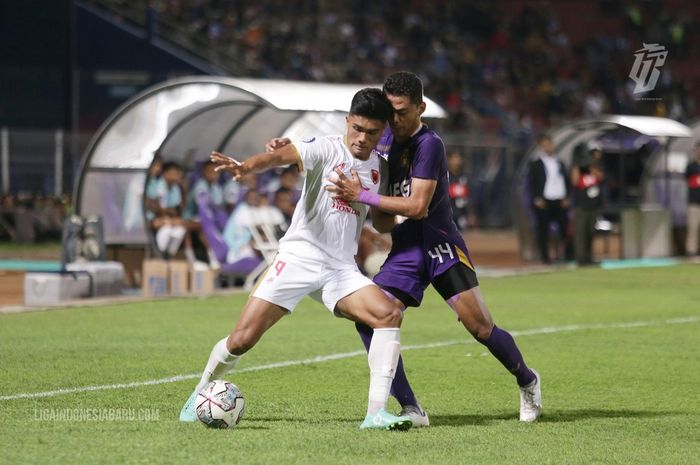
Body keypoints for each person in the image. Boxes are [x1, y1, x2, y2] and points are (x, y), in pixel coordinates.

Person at [179, 88, 412, 431]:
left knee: (389, 313)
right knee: (242, 339)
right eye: (358, 129)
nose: (362, 138)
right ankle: (198, 394)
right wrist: (247, 166)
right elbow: (278, 157)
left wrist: (399, 208)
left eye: (372, 132)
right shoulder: (326, 147)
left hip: (340, 269)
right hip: (299, 257)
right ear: (348, 122)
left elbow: (380, 223)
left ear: (383, 133)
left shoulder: (380, 168)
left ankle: (375, 413)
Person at [325, 72, 541, 424]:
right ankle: (411, 407)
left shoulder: (430, 145)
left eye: (402, 111)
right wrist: (367, 205)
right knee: (371, 317)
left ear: (420, 108)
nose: (394, 119)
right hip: (408, 249)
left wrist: (360, 195)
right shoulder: (384, 145)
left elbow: (418, 207)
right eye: (390, 111)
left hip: (440, 245)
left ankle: (528, 381)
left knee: (480, 328)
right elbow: (384, 221)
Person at [527, 134, 570, 264]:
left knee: (565, 228)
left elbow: (565, 180)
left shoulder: (559, 162)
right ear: (540, 146)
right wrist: (536, 198)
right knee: (543, 231)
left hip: (559, 200)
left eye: (549, 144)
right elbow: (531, 183)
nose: (548, 147)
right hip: (544, 201)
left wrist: (566, 196)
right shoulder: (536, 164)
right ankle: (545, 257)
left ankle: (565, 254)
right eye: (544, 145)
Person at [570, 142, 605, 265]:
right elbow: (574, 182)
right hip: (581, 206)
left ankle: (589, 257)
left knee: (591, 232)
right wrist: (577, 164)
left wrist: (590, 165)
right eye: (594, 152)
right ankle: (581, 259)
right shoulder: (578, 169)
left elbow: (600, 177)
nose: (597, 155)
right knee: (580, 233)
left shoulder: (596, 167)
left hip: (593, 206)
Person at [447, 150, 472, 231]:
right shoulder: (444, 177)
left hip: (461, 216)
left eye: (458, 158)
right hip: (447, 215)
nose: (456, 161)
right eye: (454, 158)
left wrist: (471, 214)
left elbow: (468, 197)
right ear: (449, 160)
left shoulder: (464, 177)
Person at [686, 141, 700, 256]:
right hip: (694, 202)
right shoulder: (691, 166)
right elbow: (690, 182)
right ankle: (691, 252)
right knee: (693, 228)